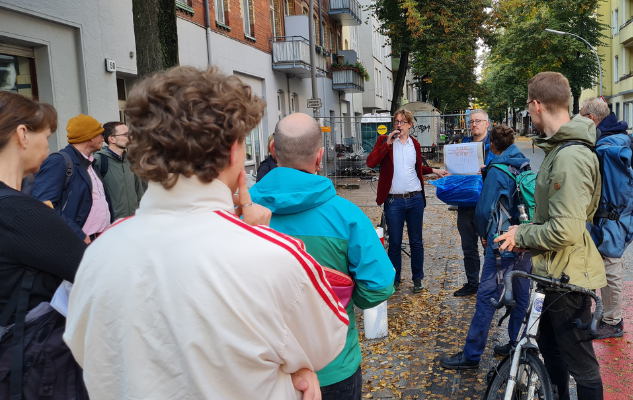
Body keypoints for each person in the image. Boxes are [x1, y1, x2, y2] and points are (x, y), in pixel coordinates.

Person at [63, 66, 348, 400]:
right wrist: (295, 368)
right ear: (232, 152)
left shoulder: (99, 252)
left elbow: (87, 350)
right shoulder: (272, 255)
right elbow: (326, 342)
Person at [250, 112, 395, 400]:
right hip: (332, 365)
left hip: (260, 370)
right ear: (319, 157)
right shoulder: (347, 216)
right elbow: (379, 286)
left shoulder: (236, 215)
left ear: (273, 151)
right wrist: (340, 301)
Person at [495, 72, 606, 399]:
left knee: (582, 366)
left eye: (529, 108)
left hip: (567, 278)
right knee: (551, 346)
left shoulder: (569, 157)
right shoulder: (561, 149)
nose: (529, 114)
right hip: (554, 272)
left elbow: (567, 228)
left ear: (536, 104)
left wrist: (522, 233)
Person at [0, 91, 89, 399]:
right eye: (47, 136)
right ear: (22, 134)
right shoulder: (22, 214)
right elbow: (97, 274)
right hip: (26, 367)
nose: (48, 148)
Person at [440, 124, 532, 369]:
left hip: (501, 244)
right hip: (523, 238)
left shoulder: (497, 170)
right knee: (522, 295)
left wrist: (483, 234)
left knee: (486, 298)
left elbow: (483, 210)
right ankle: (516, 344)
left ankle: (471, 355)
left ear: (492, 146)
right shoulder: (524, 163)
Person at [366, 109, 448, 293]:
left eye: (402, 122)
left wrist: (434, 171)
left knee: (416, 241)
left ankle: (418, 279)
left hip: (415, 199)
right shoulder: (384, 141)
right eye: (396, 121)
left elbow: (417, 168)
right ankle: (395, 278)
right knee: (394, 242)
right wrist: (387, 144)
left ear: (410, 125)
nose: (398, 125)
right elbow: (370, 162)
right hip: (394, 201)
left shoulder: (415, 144)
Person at [579, 97, 633, 339]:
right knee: (604, 261)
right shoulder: (614, 138)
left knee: (611, 265)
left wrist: (607, 213)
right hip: (612, 217)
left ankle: (613, 322)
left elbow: (616, 191)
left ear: (591, 119)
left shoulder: (607, 147)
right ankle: (607, 317)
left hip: (612, 217)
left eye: (581, 117)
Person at [31, 114, 114, 242]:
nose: (103, 139)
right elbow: (44, 205)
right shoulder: (58, 161)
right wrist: (79, 235)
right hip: (77, 242)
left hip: (100, 239)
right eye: (100, 134)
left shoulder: (90, 163)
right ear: (90, 137)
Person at [453, 109, 493, 297]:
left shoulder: (494, 146)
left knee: (488, 246)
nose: (474, 124)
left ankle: (488, 285)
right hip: (465, 202)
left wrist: (487, 170)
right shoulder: (464, 144)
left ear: (487, 123)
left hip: (485, 204)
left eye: (478, 121)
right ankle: (472, 283)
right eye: (471, 122)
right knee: (468, 247)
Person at [95, 121, 146, 219]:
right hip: (112, 222)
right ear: (112, 139)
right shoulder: (99, 160)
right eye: (125, 135)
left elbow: (139, 190)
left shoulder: (130, 160)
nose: (130, 137)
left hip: (132, 219)